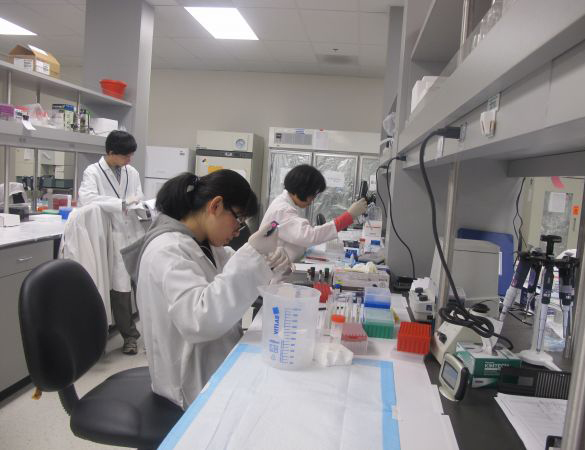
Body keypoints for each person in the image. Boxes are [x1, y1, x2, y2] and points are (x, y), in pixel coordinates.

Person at [121, 170, 289, 409]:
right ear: (216, 206)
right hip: (188, 384)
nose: (238, 231)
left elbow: (235, 278)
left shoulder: (205, 246)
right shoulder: (166, 250)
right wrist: (252, 255)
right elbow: (200, 320)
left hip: (213, 362)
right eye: (239, 219)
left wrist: (268, 262)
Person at [78, 130, 144, 355]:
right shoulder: (93, 172)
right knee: (121, 291)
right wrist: (120, 203)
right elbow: (87, 198)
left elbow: (137, 196)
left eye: (131, 155)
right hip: (113, 235)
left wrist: (140, 205)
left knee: (143, 287)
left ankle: (152, 333)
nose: (129, 160)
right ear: (111, 152)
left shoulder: (131, 172)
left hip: (134, 233)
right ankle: (130, 337)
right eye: (126, 155)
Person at [260, 164, 368, 262]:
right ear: (302, 190)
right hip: (273, 271)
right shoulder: (282, 210)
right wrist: (348, 216)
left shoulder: (287, 204)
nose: (313, 200)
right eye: (313, 195)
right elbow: (309, 236)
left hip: (283, 264)